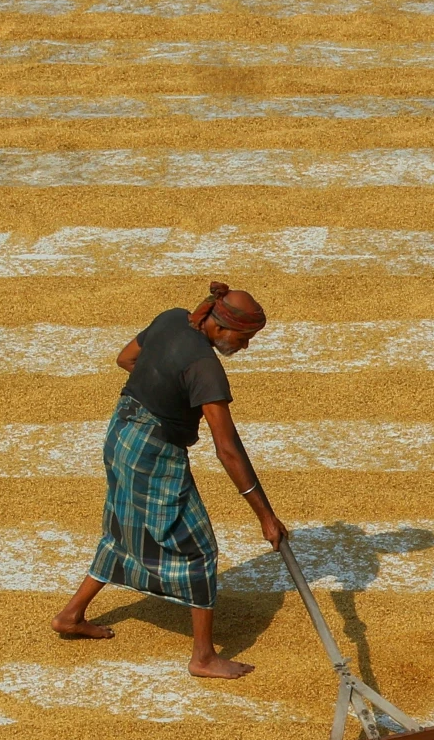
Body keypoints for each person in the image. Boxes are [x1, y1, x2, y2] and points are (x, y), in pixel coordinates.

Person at [51, 282, 286, 678]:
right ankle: (204, 657)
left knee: (122, 529)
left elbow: (126, 359)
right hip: (153, 453)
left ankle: (70, 615)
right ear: (220, 325)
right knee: (197, 548)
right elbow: (228, 449)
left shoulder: (172, 318)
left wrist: (164, 396)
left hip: (120, 433)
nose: (244, 347)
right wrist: (265, 515)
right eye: (243, 338)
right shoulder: (205, 369)